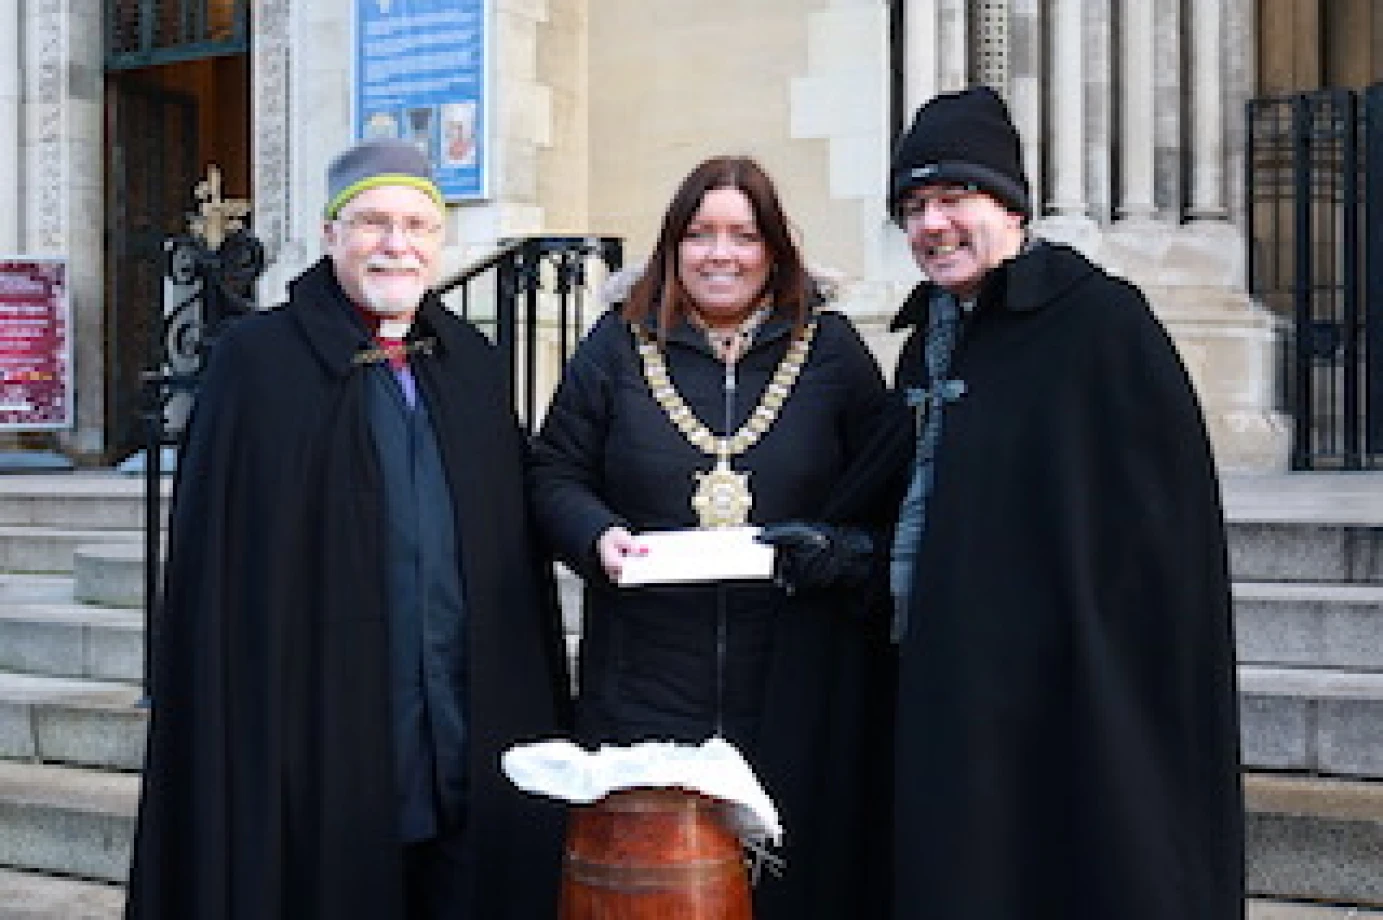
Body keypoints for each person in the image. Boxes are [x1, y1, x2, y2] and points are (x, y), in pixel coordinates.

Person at [125, 138, 571, 920]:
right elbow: (221, 581)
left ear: (440, 241)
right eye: (371, 223)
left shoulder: (469, 361)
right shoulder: (256, 366)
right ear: (330, 233)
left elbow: (514, 531)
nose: (396, 245)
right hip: (319, 747)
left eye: (417, 226)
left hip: (461, 729)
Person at [874, 86, 1244, 918]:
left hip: (1063, 691)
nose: (931, 224)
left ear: (1008, 206)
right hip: (945, 684)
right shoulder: (926, 341)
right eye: (913, 206)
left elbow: (1153, 536)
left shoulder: (1097, 325)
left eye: (952, 197)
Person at [530, 155, 895, 918]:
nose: (720, 254)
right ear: (671, 245)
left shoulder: (829, 352)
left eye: (743, 234)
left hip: (795, 677)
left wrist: (837, 552)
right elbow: (553, 473)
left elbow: (885, 496)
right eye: (699, 234)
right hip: (644, 684)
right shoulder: (615, 345)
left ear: (774, 248)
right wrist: (595, 536)